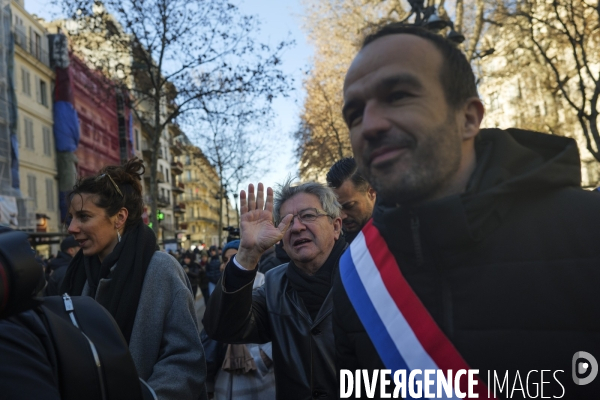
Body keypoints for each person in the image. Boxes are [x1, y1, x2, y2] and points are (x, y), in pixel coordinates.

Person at [333, 23, 600, 398]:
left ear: (469, 118)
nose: (370, 126)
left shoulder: (590, 231)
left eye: (398, 95)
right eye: (355, 114)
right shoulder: (354, 279)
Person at [60, 158, 207, 400]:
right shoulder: (76, 274)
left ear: (119, 218)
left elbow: (186, 359)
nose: (72, 227)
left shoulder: (161, 269)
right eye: (72, 217)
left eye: (84, 217)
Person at [203, 181, 345, 400]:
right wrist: (247, 255)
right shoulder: (273, 285)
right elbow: (224, 328)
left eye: (308, 215)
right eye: (286, 222)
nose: (296, 227)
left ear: (336, 226)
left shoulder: (365, 276)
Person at [326, 157, 376, 243]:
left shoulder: (401, 229)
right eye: (337, 208)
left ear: (371, 193)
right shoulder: (336, 243)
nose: (341, 216)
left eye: (349, 206)